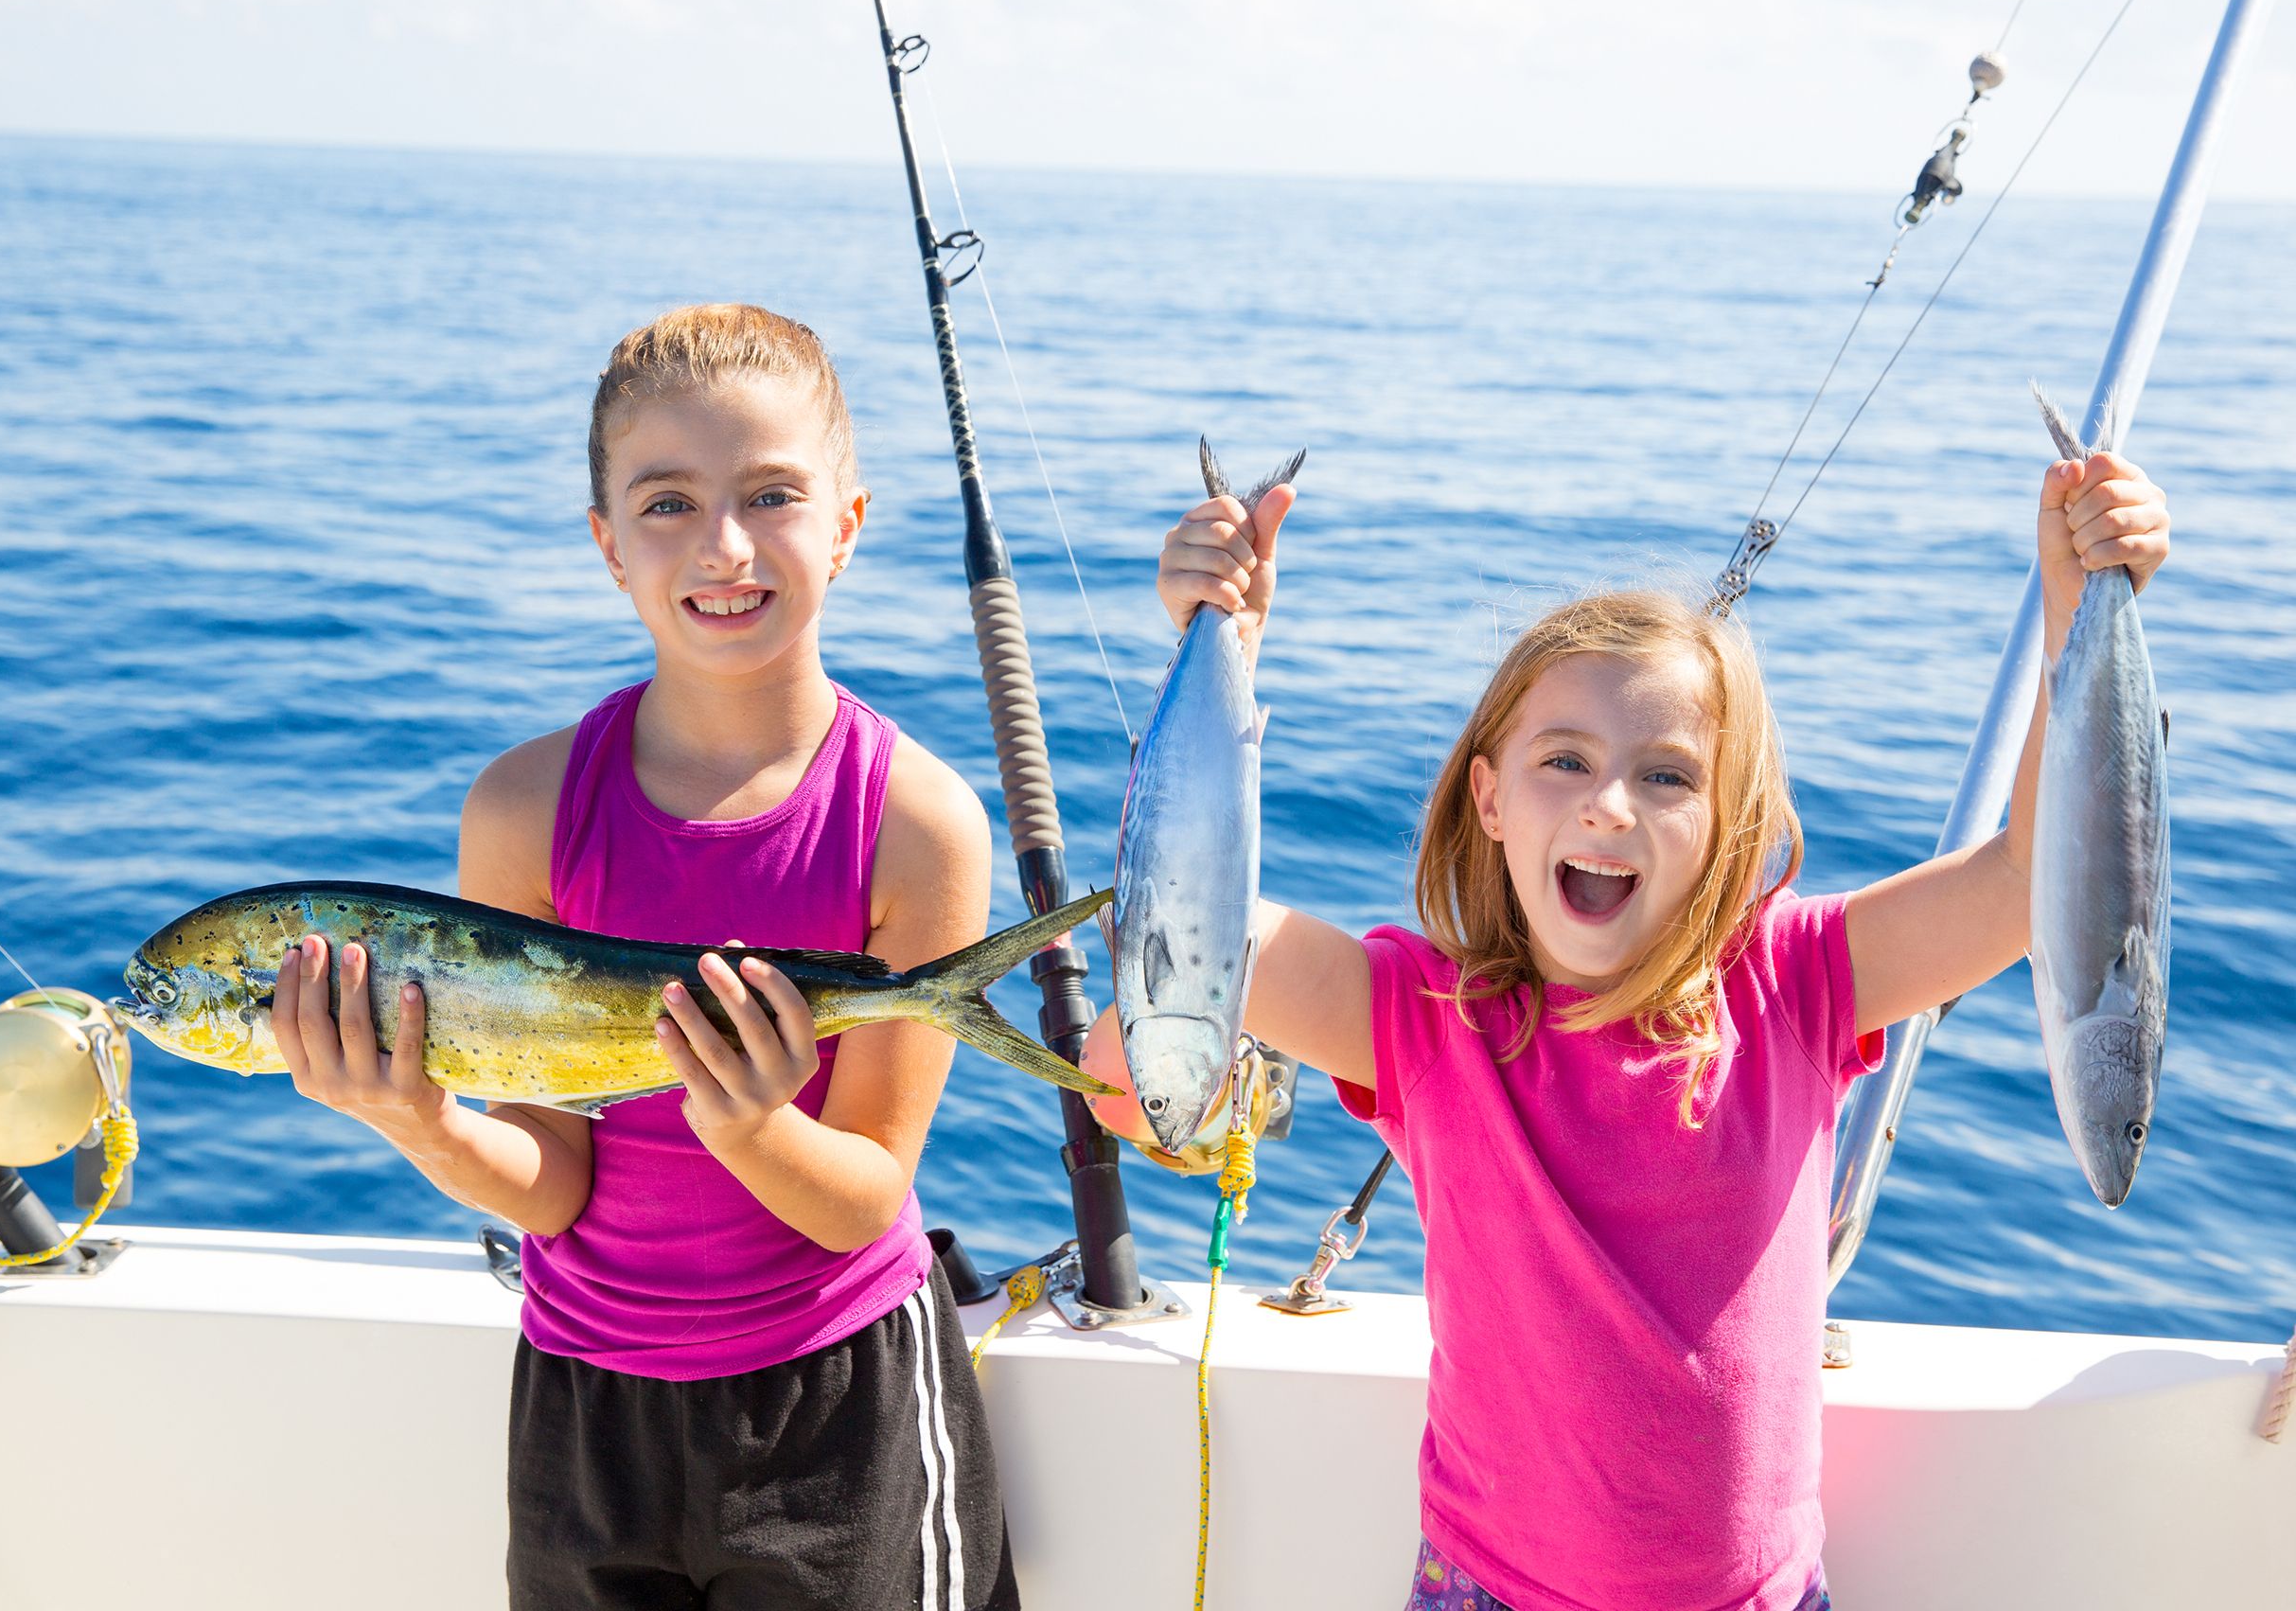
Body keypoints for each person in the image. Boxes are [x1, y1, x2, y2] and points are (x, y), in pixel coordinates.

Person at [1112, 439, 2169, 1609]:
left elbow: (2029, 876)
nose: (1609, 804)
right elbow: (1184, 898)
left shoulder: (1799, 981)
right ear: (1491, 801)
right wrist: (1216, 644)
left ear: (1727, 822)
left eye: (1666, 777)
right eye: (1564, 760)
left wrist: (2076, 599)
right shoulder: (1424, 1020)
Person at [262, 303, 1020, 1611]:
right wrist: (417, 1115)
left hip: (836, 1402)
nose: (723, 545)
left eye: (771, 493)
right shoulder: (522, 810)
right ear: (608, 544)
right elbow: (554, 1182)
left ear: (846, 522)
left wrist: (751, 1124)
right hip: (584, 1403)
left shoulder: (917, 825)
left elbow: (859, 1199)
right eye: (667, 502)